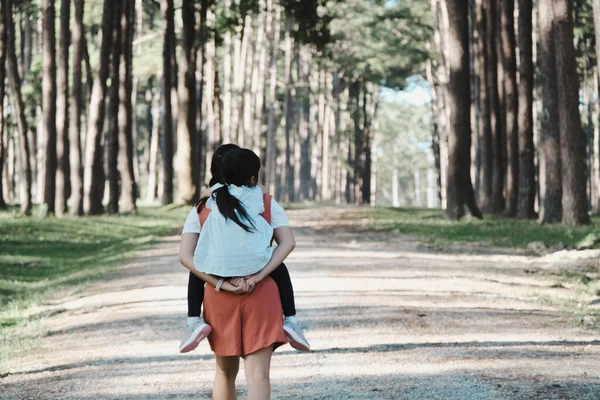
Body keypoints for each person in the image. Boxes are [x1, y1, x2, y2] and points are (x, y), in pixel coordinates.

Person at [179, 148, 297, 399]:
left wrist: (221, 283)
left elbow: (186, 258)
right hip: (262, 293)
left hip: (218, 296)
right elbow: (287, 243)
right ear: (253, 178)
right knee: (258, 376)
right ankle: (293, 322)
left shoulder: (202, 208)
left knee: (224, 374)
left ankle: (192, 323)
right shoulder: (266, 203)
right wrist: (256, 277)